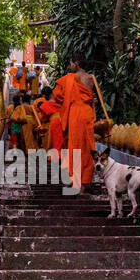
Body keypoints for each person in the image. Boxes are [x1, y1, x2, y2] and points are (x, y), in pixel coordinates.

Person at [60, 58, 97, 191]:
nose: (70, 66)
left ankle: (73, 179)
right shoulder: (91, 78)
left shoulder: (70, 78)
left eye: (70, 63)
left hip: (75, 113)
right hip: (87, 114)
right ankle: (83, 182)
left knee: (74, 146)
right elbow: (93, 98)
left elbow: (61, 97)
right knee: (87, 146)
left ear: (77, 63)